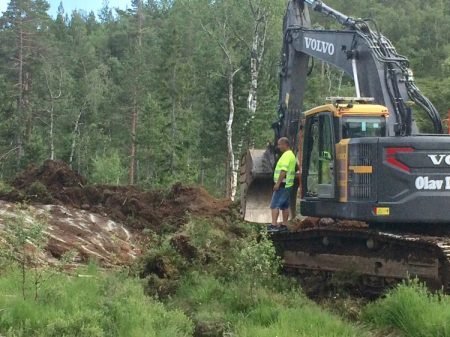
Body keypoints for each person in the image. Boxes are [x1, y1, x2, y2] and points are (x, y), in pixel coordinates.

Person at [268, 137, 297, 232]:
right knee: (285, 205)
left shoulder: (286, 156)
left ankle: (273, 225)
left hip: (282, 184)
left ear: (285, 144)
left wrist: (277, 183)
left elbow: (283, 171)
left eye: (280, 144)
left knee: (274, 205)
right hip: (288, 185)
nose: (278, 146)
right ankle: (284, 225)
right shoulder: (292, 155)